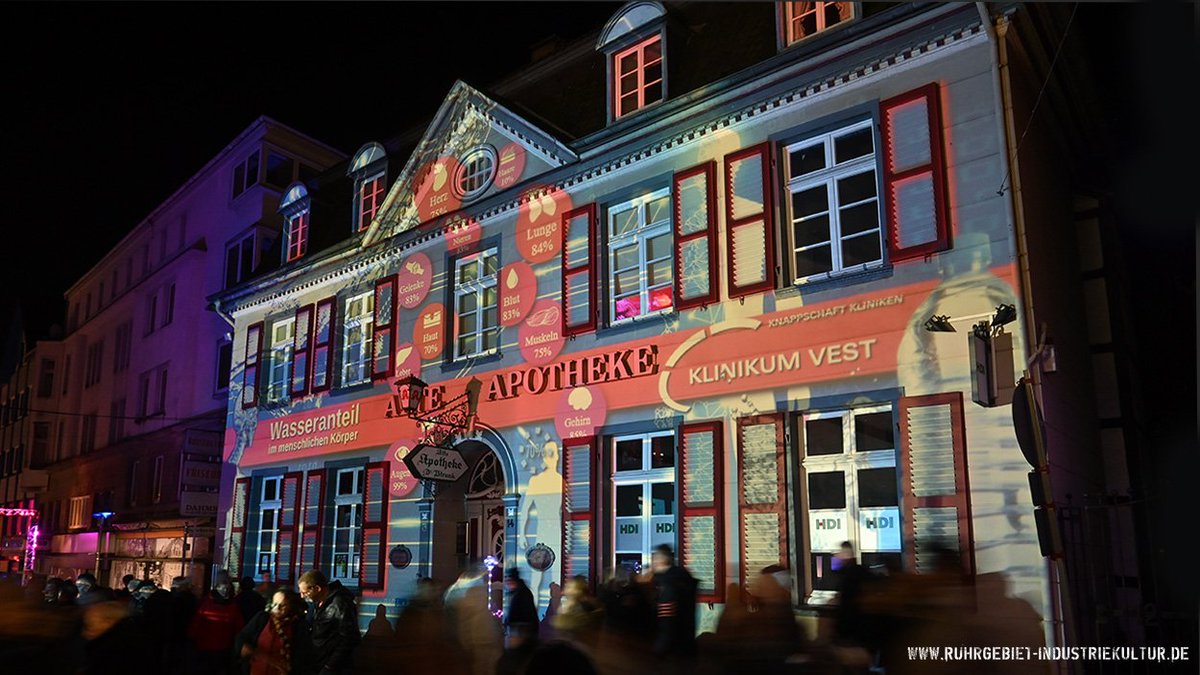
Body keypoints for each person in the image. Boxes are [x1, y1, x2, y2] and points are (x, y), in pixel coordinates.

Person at [237, 588, 314, 675]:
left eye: (283, 605)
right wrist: (245, 648)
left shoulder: (298, 625)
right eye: (275, 604)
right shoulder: (262, 618)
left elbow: (303, 656)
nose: (277, 608)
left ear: (291, 606)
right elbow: (241, 638)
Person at [298, 569, 360, 675]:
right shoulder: (318, 603)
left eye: (305, 592)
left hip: (333, 667)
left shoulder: (340, 603)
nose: (302, 596)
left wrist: (329, 667)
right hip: (319, 663)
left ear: (317, 588)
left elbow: (349, 638)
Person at [649, 544, 698, 665]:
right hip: (686, 646)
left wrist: (658, 651)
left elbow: (667, 622)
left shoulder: (668, 585)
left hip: (671, 652)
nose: (652, 563)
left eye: (654, 559)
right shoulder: (681, 578)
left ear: (662, 560)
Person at [189, 571, 245, 674]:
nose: (226, 587)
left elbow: (195, 627)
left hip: (206, 649)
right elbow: (239, 629)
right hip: (223, 650)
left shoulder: (205, 603)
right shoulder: (233, 607)